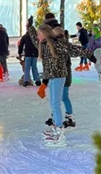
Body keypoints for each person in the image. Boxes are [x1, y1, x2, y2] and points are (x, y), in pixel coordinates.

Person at [27, 16, 96, 147]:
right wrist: (29, 27)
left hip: (59, 76)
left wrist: (89, 55)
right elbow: (33, 38)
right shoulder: (43, 44)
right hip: (53, 77)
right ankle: (56, 130)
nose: (37, 36)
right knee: (54, 103)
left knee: (55, 103)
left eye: (39, 34)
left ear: (45, 33)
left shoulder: (56, 44)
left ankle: (60, 133)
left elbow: (73, 49)